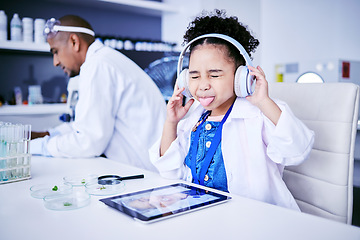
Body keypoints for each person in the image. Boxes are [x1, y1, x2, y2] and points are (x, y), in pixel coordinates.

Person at [149, 10, 314, 210]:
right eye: (194, 76)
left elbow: (297, 149)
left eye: (214, 75)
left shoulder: (259, 114)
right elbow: (169, 171)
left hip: (255, 218)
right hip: (204, 214)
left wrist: (263, 101)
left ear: (241, 76)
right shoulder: (194, 117)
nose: (202, 85)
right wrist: (171, 122)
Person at [31, 15, 166, 172]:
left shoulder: (97, 65)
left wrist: (35, 146)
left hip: (146, 175)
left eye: (56, 52)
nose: (55, 62)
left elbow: (89, 141)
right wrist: (45, 134)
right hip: (142, 169)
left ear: (74, 42)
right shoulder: (103, 59)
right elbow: (85, 126)